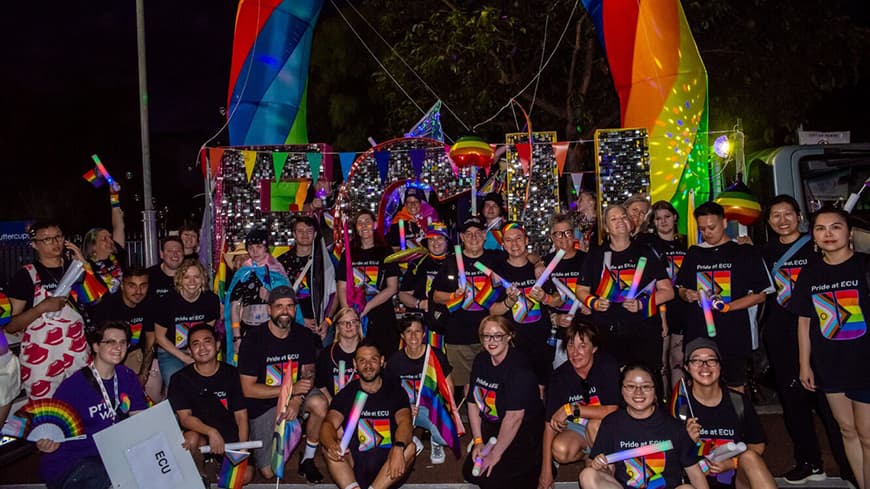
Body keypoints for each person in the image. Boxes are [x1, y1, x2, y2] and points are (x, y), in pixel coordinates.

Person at [759, 195, 850, 484]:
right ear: (769, 222)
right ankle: (809, 462)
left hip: (820, 331)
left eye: (788, 214)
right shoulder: (763, 252)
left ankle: (848, 464)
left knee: (828, 400)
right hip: (781, 333)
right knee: (793, 400)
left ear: (799, 216)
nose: (782, 220)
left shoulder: (816, 245)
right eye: (776, 215)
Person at [793, 206, 870, 489]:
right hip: (829, 364)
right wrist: (804, 364)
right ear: (812, 236)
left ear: (850, 232)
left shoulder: (864, 265)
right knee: (847, 430)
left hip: (864, 362)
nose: (828, 234)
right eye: (820, 228)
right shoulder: (809, 274)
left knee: (867, 435)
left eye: (836, 227)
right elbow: (804, 321)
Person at [37, 320, 147, 489]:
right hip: (74, 462)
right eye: (110, 342)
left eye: (123, 342)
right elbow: (50, 430)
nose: (118, 347)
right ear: (95, 346)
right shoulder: (73, 386)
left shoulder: (127, 376)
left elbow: (140, 420)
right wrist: (47, 441)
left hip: (110, 456)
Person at [675, 202, 773, 391]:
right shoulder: (694, 253)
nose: (707, 233)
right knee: (701, 385)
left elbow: (761, 295)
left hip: (734, 332)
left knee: (735, 386)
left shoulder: (744, 252)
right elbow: (681, 288)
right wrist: (686, 294)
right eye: (702, 229)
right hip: (699, 332)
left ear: (724, 222)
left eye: (712, 227)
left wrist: (728, 307)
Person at [237, 285, 325, 482]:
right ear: (269, 310)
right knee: (268, 472)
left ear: (295, 309)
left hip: (295, 395)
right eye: (279, 306)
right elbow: (248, 389)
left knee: (319, 403)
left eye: (290, 306)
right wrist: (289, 391)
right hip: (264, 404)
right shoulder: (253, 340)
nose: (285, 311)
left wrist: (296, 399)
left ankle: (308, 458)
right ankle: (270, 435)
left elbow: (308, 374)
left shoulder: (303, 335)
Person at [577, 205, 674, 384]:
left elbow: (668, 291)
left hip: (644, 332)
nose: (620, 222)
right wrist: (594, 302)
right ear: (606, 228)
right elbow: (581, 290)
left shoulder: (646, 252)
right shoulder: (596, 255)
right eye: (613, 219)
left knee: (649, 380)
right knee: (610, 382)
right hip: (607, 332)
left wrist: (643, 304)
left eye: (623, 217)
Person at [579, 363, 708, 489]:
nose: (638, 392)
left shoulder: (673, 426)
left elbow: (695, 473)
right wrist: (600, 466)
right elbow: (601, 470)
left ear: (655, 390)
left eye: (646, 387)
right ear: (621, 390)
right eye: (630, 386)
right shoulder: (611, 423)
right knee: (588, 475)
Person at [6, 220, 94, 399]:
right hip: (41, 360)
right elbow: (11, 326)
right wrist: (41, 308)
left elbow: (97, 302)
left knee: (84, 405)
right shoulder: (27, 275)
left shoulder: (75, 269)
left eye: (58, 237)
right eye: (47, 239)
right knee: (47, 415)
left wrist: (84, 264)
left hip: (77, 355)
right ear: (34, 244)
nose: (55, 242)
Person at [321, 339, 417, 489]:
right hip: (356, 462)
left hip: (389, 465)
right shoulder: (347, 393)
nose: (368, 366)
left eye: (373, 359)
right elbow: (328, 424)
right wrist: (331, 444)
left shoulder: (395, 391)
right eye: (362, 360)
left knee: (410, 447)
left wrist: (398, 447)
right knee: (328, 448)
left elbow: (405, 422)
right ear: (355, 364)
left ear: (382, 361)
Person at [682, 338, 776, 489]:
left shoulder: (738, 402)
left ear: (720, 365)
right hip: (696, 482)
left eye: (711, 360)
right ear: (687, 367)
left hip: (735, 481)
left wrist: (732, 463)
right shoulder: (680, 407)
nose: (705, 366)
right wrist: (686, 440)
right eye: (697, 361)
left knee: (750, 457)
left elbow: (757, 444)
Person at [463, 315, 544, 489]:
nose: (491, 341)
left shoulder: (519, 369)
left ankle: (542, 462)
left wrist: (496, 453)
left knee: (492, 480)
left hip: (523, 430)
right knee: (470, 473)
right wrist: (478, 440)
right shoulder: (480, 360)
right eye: (486, 336)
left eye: (498, 335)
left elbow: (514, 417)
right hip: (493, 427)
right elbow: (472, 403)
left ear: (509, 336)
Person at [168, 324, 253, 486]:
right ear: (190, 351)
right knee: (190, 439)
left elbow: (241, 417)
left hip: (229, 434)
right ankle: (200, 474)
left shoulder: (232, 374)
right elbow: (185, 419)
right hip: (201, 435)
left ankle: (223, 464)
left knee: (245, 476)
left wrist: (241, 452)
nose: (202, 348)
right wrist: (211, 432)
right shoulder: (179, 379)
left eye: (207, 342)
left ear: (218, 345)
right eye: (195, 344)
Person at [539, 319, 619, 489]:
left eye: (582, 346)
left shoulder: (607, 365)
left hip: (607, 427)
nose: (575, 352)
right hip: (578, 429)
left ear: (594, 348)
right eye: (570, 346)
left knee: (595, 425)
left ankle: (608, 471)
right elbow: (549, 425)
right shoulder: (560, 376)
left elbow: (612, 410)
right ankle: (588, 457)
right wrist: (546, 471)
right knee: (560, 449)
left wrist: (571, 409)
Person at [431, 217, 502, 397]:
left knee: (490, 382)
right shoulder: (451, 262)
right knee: (463, 386)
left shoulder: (496, 259)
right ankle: (464, 421)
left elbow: (524, 257)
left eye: (478, 233)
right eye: (468, 234)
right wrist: (453, 296)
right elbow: (435, 296)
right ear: (461, 237)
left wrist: (539, 263)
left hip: (489, 336)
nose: (473, 237)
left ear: (485, 236)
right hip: (458, 336)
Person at [489, 222, 563, 388]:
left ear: (526, 240)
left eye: (518, 238)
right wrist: (509, 302)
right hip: (512, 346)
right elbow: (492, 310)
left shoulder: (538, 269)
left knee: (541, 390)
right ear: (503, 244)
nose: (514, 244)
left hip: (541, 344)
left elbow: (559, 299)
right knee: (515, 390)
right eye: (508, 240)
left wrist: (545, 298)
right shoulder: (498, 272)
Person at [384, 316, 454, 465]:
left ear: (424, 334)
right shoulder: (395, 361)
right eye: (408, 331)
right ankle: (412, 439)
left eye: (417, 331)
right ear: (402, 336)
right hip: (405, 409)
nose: (413, 336)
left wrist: (440, 407)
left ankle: (435, 441)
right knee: (382, 434)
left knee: (446, 438)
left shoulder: (435, 354)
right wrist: (403, 407)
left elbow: (448, 387)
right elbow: (389, 392)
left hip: (430, 406)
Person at [635, 201, 688, 390]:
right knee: (661, 362)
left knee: (678, 360)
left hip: (682, 307)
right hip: (659, 306)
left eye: (667, 217)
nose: (663, 222)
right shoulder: (647, 244)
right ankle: (662, 405)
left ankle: (678, 405)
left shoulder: (687, 241)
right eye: (658, 218)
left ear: (675, 218)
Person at [337, 210, 401, 357]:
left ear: (375, 225)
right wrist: (347, 313)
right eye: (360, 223)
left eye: (367, 221)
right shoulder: (349, 253)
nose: (364, 225)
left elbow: (392, 287)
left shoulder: (386, 251)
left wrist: (368, 307)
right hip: (355, 314)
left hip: (381, 314)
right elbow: (342, 286)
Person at [92, 266, 159, 397]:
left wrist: (144, 374)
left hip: (135, 354)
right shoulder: (108, 307)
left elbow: (151, 339)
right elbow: (101, 346)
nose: (138, 291)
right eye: (132, 286)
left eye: (143, 286)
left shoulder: (149, 304)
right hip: (109, 354)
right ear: (122, 286)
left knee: (152, 391)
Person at [153, 259, 219, 387]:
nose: (192, 282)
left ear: (203, 279)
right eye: (187, 277)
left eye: (196, 277)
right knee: (176, 384)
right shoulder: (166, 301)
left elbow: (208, 332)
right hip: (170, 351)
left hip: (200, 349)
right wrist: (185, 358)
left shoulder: (211, 300)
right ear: (179, 280)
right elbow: (160, 337)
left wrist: (197, 355)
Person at [277, 215, 336, 343]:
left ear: (315, 234)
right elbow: (277, 296)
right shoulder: (281, 262)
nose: (305, 235)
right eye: (300, 231)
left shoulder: (325, 261)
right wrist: (299, 319)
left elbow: (334, 293)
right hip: (291, 324)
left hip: (320, 326)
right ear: (294, 234)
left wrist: (327, 321)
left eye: (309, 231)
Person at [545, 213, 589, 367]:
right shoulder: (545, 263)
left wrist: (591, 305)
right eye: (558, 234)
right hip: (559, 335)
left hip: (585, 332)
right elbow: (542, 301)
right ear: (552, 236)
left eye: (568, 232)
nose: (563, 238)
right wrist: (555, 318)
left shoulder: (587, 260)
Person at [229, 227, 290, 340]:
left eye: (259, 247)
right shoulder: (243, 272)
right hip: (248, 330)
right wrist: (237, 336)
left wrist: (270, 297)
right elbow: (235, 306)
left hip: (274, 330)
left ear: (266, 248)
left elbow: (288, 303)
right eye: (251, 248)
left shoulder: (276, 270)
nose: (255, 251)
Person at [81, 181, 127, 295]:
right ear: (93, 247)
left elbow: (118, 226)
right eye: (104, 239)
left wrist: (114, 196)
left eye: (109, 237)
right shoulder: (87, 266)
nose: (110, 241)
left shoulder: (117, 254)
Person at [397, 222, 450, 318]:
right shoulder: (417, 263)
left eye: (440, 238)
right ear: (427, 242)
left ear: (447, 241)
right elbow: (403, 294)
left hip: (448, 317)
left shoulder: (456, 262)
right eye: (431, 239)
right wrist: (419, 303)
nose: (435, 242)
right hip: (421, 318)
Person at [315, 307, 364, 398]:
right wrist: (332, 404)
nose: (348, 326)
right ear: (337, 327)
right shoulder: (326, 354)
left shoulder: (369, 351)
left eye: (352, 322)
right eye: (343, 323)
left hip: (363, 403)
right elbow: (320, 384)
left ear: (359, 324)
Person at [147, 236, 185, 302]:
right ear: (161, 254)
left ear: (183, 254)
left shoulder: (191, 277)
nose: (175, 254)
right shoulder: (148, 276)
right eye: (170, 251)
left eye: (178, 251)